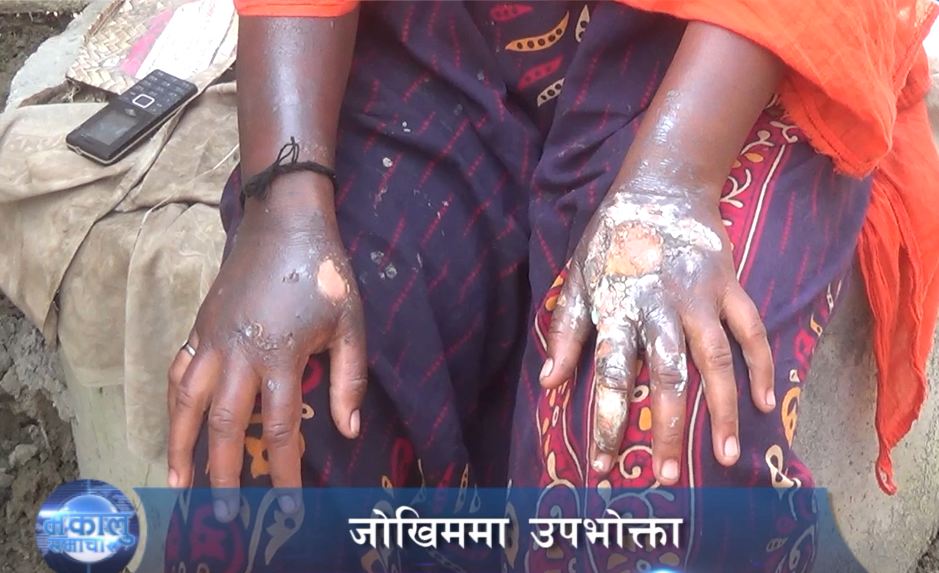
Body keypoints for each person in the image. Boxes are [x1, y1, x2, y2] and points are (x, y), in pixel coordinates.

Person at [163, 1, 939, 571]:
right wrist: (284, 203)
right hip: (439, 37)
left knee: (657, 441)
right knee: (279, 413)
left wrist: (670, 180)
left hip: (725, 51)